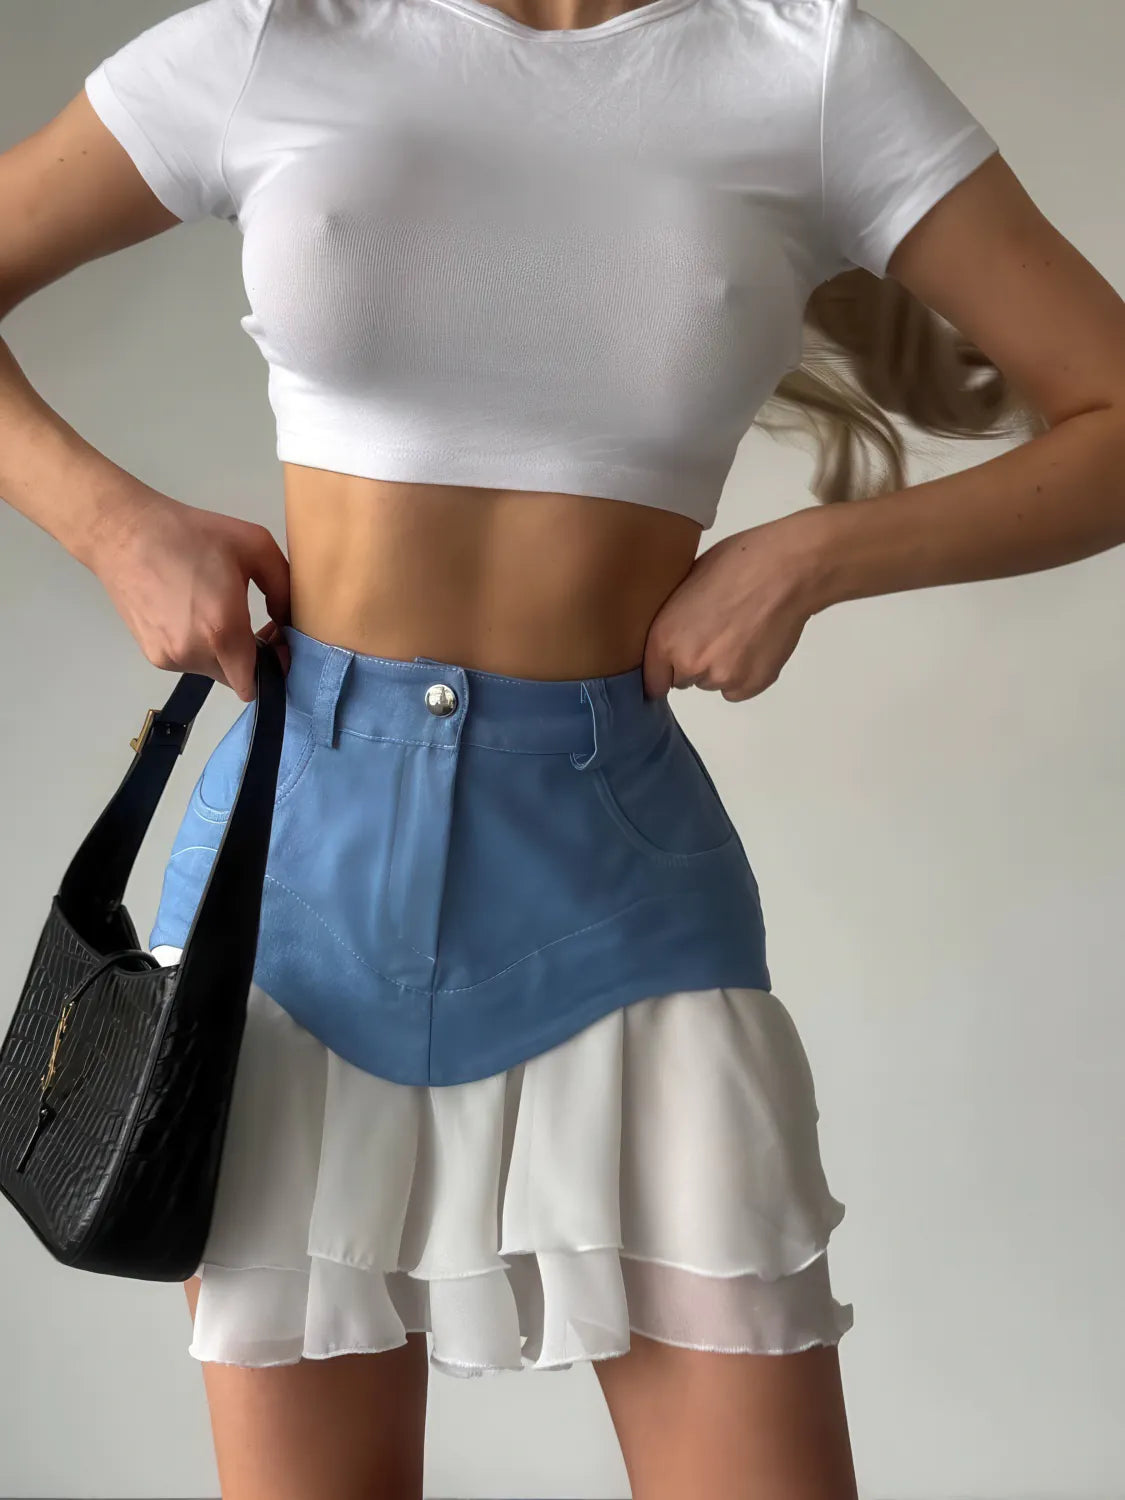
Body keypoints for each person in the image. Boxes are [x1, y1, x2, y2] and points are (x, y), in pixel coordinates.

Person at [3, 0, 1123, 1495]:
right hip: (288, 909)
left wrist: (813, 556)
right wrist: (110, 523)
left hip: (615, 889)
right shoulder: (275, 43)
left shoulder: (808, 72)